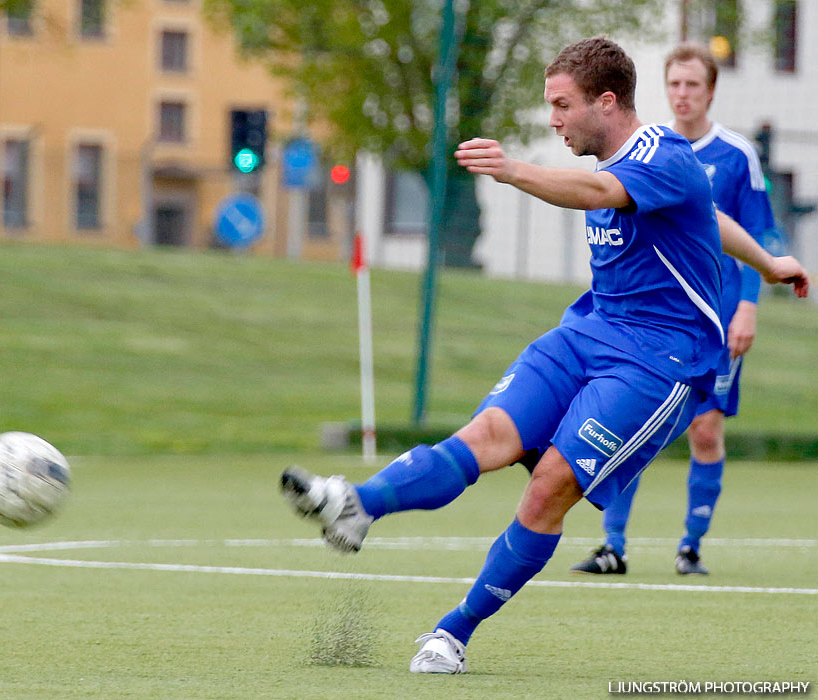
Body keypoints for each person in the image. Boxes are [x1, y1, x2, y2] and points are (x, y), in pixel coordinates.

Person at [279, 37, 809, 674]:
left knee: (548, 486)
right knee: (489, 434)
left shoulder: (660, 156)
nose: (553, 119)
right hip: (587, 332)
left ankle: (454, 633)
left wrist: (511, 170)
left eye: (562, 105)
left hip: (659, 362)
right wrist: (771, 261)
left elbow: (603, 197)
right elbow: (710, 218)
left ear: (606, 101)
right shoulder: (640, 166)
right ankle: (358, 504)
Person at [570, 42, 778, 578]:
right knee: (626, 421)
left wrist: (748, 308)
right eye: (675, 84)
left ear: (710, 91)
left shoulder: (735, 155)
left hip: (717, 319)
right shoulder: (644, 147)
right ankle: (612, 544)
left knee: (705, 431)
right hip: (653, 323)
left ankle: (690, 545)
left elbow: (760, 234)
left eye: (693, 85)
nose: (682, 94)